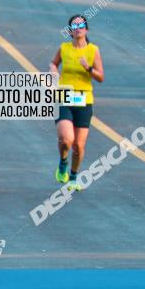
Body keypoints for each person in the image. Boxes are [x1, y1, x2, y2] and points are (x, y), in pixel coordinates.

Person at [49, 15, 104, 191]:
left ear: (86, 29)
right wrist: (53, 71)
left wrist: (88, 68)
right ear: (70, 30)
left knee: (78, 146)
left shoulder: (93, 50)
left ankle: (73, 176)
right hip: (64, 97)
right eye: (74, 25)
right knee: (66, 139)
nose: (78, 28)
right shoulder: (64, 48)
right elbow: (53, 63)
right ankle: (63, 163)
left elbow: (100, 77)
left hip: (84, 99)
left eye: (81, 25)